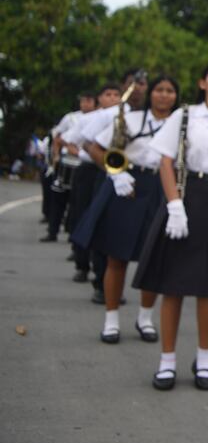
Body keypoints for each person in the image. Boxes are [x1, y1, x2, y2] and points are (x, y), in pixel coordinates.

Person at [134, 61, 208, 391]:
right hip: (185, 195)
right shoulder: (185, 115)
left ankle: (203, 359)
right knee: (173, 285)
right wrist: (174, 205)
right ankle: (167, 361)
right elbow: (166, 161)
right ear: (203, 83)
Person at [73, 74, 177, 344]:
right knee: (116, 257)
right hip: (127, 184)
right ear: (150, 93)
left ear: (176, 96)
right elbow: (94, 147)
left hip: (161, 186)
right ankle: (111, 320)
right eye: (159, 89)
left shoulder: (180, 124)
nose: (164, 95)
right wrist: (116, 173)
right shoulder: (130, 119)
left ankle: (145, 318)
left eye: (170, 90)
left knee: (152, 258)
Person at [62, 81, 129, 292]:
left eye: (116, 94)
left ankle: (102, 278)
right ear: (99, 99)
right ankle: (82, 264)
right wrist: (87, 152)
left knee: (107, 222)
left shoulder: (128, 114)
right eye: (107, 94)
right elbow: (72, 139)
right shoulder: (93, 117)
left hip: (116, 173)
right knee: (84, 215)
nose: (112, 98)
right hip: (91, 170)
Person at [41, 92, 97, 242]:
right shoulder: (71, 118)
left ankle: (74, 236)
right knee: (58, 198)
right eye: (83, 101)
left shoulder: (99, 117)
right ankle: (52, 232)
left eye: (89, 101)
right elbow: (58, 137)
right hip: (67, 162)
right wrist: (56, 157)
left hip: (85, 164)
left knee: (78, 203)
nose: (85, 104)